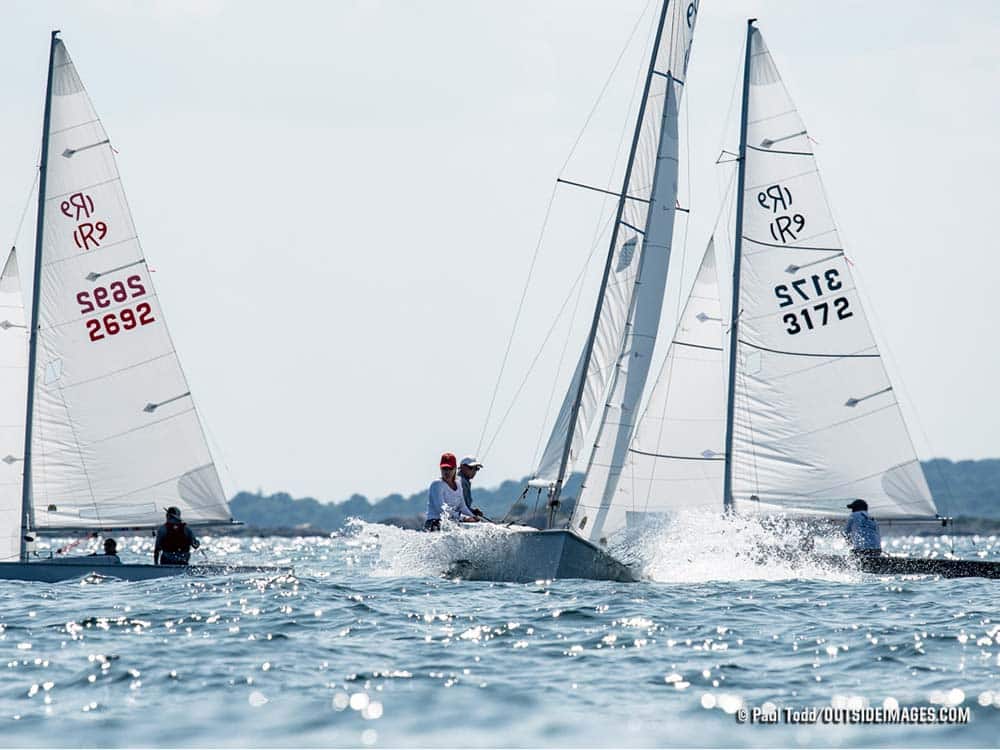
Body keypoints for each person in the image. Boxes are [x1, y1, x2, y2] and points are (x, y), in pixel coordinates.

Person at [425, 453, 479, 531]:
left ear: (455, 469)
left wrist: (473, 517)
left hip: (452, 522)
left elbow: (462, 506)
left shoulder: (458, 483)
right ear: (440, 469)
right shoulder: (437, 484)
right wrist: (464, 518)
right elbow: (442, 510)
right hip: (435, 523)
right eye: (444, 468)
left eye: (450, 468)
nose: (447, 472)